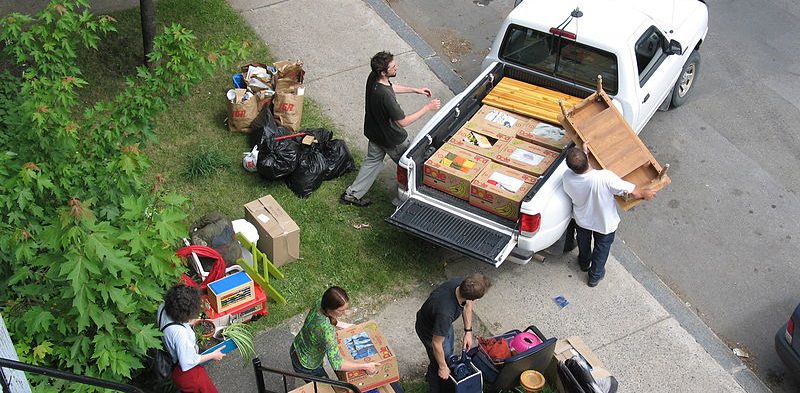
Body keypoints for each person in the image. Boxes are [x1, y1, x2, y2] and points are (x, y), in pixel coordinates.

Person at [340, 50, 442, 207]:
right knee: (412, 167)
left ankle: (352, 194)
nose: (396, 67)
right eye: (393, 66)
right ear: (383, 71)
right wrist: (428, 107)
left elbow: (391, 86)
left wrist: (415, 90)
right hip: (392, 140)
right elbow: (403, 122)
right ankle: (414, 199)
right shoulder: (386, 97)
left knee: (372, 162)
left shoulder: (373, 78)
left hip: (375, 134)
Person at [562, 144, 657, 287]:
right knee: (602, 248)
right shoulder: (604, 178)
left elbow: (580, 167)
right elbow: (634, 191)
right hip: (604, 223)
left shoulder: (567, 177)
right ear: (587, 159)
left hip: (582, 220)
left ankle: (584, 263)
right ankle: (594, 276)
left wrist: (584, 153)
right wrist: (646, 193)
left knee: (583, 243)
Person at [415, 273, 492, 393]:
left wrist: (468, 332)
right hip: (429, 330)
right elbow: (436, 343)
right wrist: (443, 367)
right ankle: (434, 385)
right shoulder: (445, 313)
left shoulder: (464, 284)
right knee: (439, 361)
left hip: (440, 323)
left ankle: (443, 371)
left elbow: (467, 305)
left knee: (447, 354)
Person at [290, 286, 378, 379]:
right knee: (325, 388)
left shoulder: (320, 303)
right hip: (307, 366)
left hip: (298, 346)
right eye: (340, 310)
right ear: (330, 308)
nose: (343, 313)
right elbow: (338, 364)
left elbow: (327, 317)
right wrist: (365, 366)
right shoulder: (327, 333)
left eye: (345, 309)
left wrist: (342, 325)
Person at [157, 284, 226, 393]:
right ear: (184, 315)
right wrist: (213, 355)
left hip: (173, 362)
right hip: (188, 375)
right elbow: (188, 361)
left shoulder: (163, 307)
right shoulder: (180, 334)